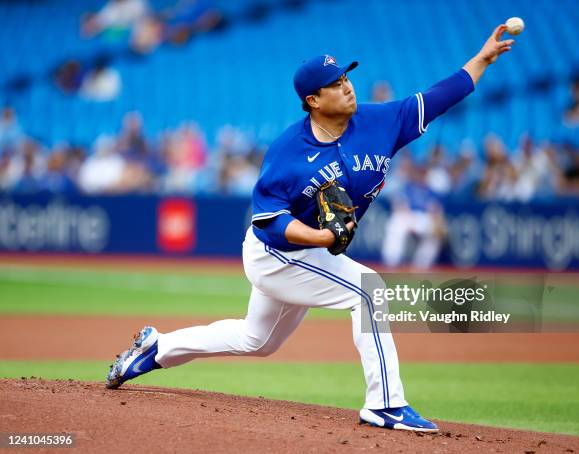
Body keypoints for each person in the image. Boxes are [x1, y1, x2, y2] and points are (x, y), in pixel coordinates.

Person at [106, 25, 515, 432]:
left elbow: (439, 98)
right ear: (313, 100)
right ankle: (385, 404)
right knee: (369, 291)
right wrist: (322, 237)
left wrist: (481, 58)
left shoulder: (380, 122)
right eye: (334, 84)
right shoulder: (288, 153)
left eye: (345, 77)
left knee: (257, 340)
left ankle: (158, 347)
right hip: (276, 254)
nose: (347, 87)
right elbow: (269, 223)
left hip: (310, 254)